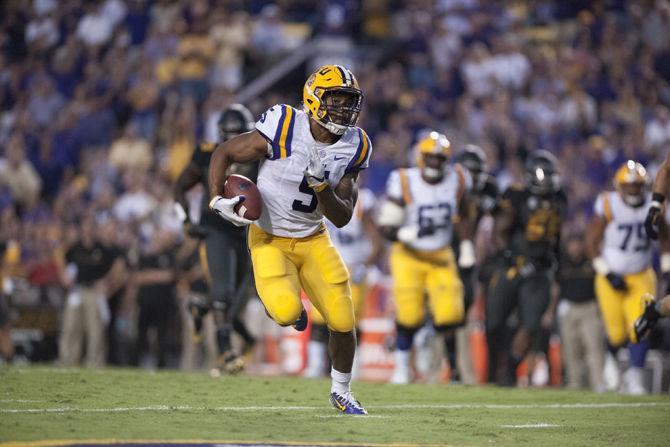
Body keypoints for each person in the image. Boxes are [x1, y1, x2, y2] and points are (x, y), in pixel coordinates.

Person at [207, 65, 371, 415]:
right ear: (314, 99)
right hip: (269, 236)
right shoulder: (284, 124)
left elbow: (342, 216)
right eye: (336, 100)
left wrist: (322, 187)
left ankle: (341, 391)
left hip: (314, 239)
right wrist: (215, 199)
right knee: (285, 312)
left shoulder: (355, 145)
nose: (344, 109)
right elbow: (224, 152)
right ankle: (287, 309)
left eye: (349, 101)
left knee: (343, 319)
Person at [377, 131, 474, 384]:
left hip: (441, 253)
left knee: (450, 313)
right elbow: (386, 226)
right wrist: (403, 232)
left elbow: (464, 214)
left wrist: (466, 245)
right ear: (420, 157)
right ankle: (401, 368)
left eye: (440, 159)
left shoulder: (459, 178)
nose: (435, 163)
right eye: (430, 158)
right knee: (409, 313)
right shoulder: (404, 180)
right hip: (408, 254)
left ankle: (453, 371)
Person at [174, 104, 258, 374]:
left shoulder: (259, 156)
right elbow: (180, 186)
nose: (234, 141)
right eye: (230, 135)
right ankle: (225, 353)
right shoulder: (207, 153)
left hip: (245, 232)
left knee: (237, 299)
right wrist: (185, 219)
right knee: (223, 291)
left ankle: (201, 308)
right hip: (216, 230)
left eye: (239, 135)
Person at [486, 150, 566, 386]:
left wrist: (554, 259)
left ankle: (510, 369)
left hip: (540, 270)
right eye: (541, 175)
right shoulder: (516, 194)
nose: (545, 181)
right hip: (514, 265)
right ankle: (493, 368)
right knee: (494, 323)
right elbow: (498, 232)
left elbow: (557, 234)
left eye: (549, 175)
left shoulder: (559, 197)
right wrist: (511, 257)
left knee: (532, 325)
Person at [586, 160, 661, 395]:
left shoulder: (653, 203)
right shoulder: (609, 204)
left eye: (637, 185)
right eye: (629, 186)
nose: (633, 190)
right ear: (619, 187)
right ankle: (611, 365)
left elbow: (666, 237)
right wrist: (606, 272)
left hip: (641, 274)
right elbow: (591, 243)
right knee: (616, 333)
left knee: (641, 324)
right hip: (612, 273)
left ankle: (635, 377)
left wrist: (667, 269)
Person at [303, 186, 381, 378]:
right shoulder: (317, 194)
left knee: (350, 322)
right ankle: (316, 366)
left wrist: (365, 265)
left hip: (353, 269)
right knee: (320, 320)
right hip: (326, 266)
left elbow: (377, 241)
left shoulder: (363, 200)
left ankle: (353, 368)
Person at [556, 235, 605, 391]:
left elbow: (602, 286)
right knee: (570, 349)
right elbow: (555, 288)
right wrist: (551, 310)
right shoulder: (562, 263)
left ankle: (598, 382)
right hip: (569, 307)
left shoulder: (592, 262)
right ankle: (574, 383)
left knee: (594, 347)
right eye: (572, 244)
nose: (575, 248)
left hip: (589, 307)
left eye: (578, 244)